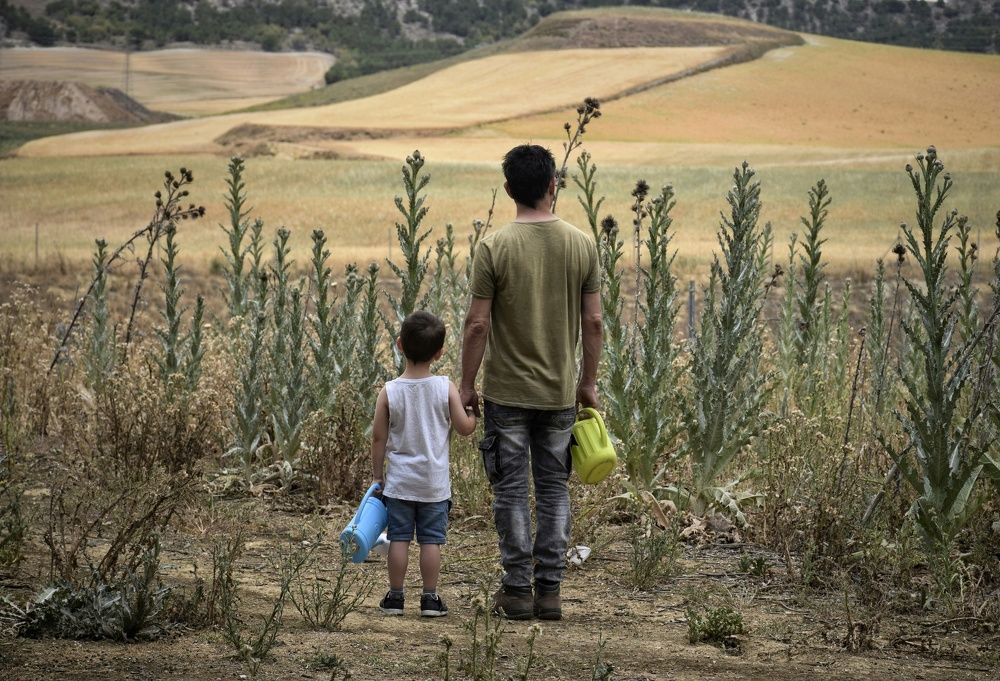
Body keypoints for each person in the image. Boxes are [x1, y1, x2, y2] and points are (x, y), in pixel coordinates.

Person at [460, 144, 603, 621]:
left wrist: (466, 384)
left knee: (510, 491)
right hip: (560, 393)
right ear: (552, 186)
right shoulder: (582, 244)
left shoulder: (493, 247)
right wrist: (588, 383)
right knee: (554, 489)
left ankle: (517, 590)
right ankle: (550, 592)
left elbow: (477, 324)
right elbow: (595, 322)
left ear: (507, 190)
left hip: (505, 392)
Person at [371, 310, 477, 617]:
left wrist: (378, 476)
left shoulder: (389, 391)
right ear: (440, 352)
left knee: (398, 539)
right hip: (433, 484)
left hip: (400, 483)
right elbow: (463, 428)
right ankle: (430, 598)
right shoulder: (445, 387)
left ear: (399, 344)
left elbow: (379, 439)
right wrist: (472, 414)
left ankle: (395, 597)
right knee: (431, 542)